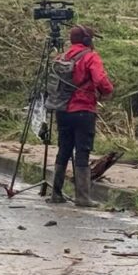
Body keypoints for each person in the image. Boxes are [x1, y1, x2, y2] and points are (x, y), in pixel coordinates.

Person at [50, 26, 114, 207]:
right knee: (82, 152)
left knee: (63, 149)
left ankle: (56, 193)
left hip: (62, 110)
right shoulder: (90, 57)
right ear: (87, 40)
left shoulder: (61, 57)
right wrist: (107, 91)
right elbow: (101, 81)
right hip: (84, 110)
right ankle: (82, 197)